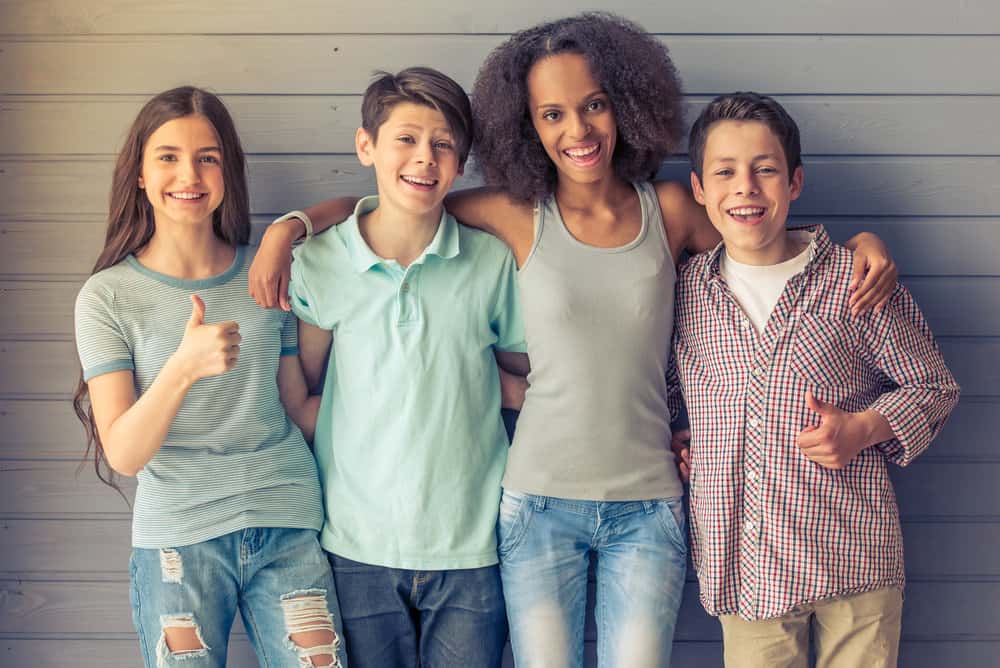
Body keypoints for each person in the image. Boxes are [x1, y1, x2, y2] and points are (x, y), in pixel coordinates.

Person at [248, 14, 896, 667]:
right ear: (527, 125)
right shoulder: (513, 213)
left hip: (649, 506)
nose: (577, 130)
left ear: (627, 107)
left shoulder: (669, 210)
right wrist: (292, 227)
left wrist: (856, 247)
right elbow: (400, 206)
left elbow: (760, 224)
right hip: (536, 507)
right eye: (551, 114)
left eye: (594, 106)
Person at [670, 92, 960, 667]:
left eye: (765, 169)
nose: (746, 187)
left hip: (856, 563)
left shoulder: (855, 279)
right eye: (725, 172)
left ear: (795, 182)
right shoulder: (686, 291)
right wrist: (680, 437)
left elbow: (934, 387)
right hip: (746, 571)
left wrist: (864, 427)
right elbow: (664, 388)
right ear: (700, 190)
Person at [72, 86, 346, 668]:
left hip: (288, 523)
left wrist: (282, 232)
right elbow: (123, 451)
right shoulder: (108, 297)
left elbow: (368, 210)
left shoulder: (268, 272)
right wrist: (182, 368)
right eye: (167, 156)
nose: (188, 174)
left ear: (228, 171)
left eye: (208, 157)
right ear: (140, 175)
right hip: (179, 538)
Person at [285, 67, 526, 668]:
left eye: (443, 144)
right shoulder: (321, 260)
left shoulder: (489, 261)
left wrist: (470, 385)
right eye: (407, 139)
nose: (425, 157)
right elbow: (305, 389)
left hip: (471, 546)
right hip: (355, 545)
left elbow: (527, 377)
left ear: (462, 161)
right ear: (366, 146)